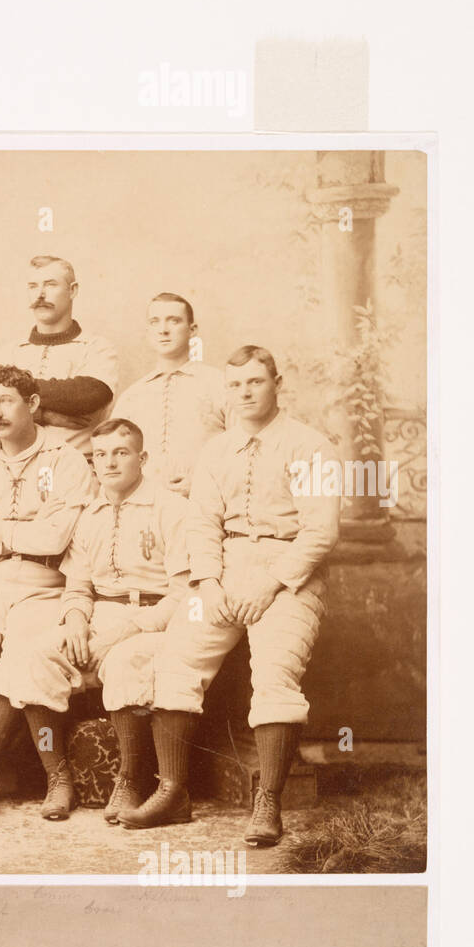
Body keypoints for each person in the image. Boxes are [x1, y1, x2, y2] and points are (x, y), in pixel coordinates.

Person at [119, 346, 340, 846]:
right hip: (223, 571)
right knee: (174, 663)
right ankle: (173, 791)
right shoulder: (216, 450)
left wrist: (273, 581)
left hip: (288, 573)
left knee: (275, 675)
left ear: (277, 384)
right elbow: (202, 524)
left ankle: (269, 802)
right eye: (236, 385)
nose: (245, 393)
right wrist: (210, 582)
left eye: (255, 382)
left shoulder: (312, 446)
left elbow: (321, 532)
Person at [0, 418, 189, 820]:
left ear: (143, 457)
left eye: (121, 453)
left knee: (123, 662)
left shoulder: (172, 509)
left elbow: (184, 592)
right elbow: (78, 587)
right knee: (36, 659)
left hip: (157, 618)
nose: (110, 463)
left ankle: (129, 781)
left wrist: (129, 629)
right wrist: (75, 621)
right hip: (101, 614)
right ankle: (58, 777)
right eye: (100, 455)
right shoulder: (90, 514)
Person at [0, 364, 95, 814]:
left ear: (32, 404)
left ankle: (11, 772)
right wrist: (23, 531)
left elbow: (56, 539)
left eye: (6, 400)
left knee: (19, 664)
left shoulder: (65, 459)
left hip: (44, 582)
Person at [0, 256, 117, 458]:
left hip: (75, 468)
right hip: (14, 469)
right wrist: (43, 415)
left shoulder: (96, 348)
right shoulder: (8, 351)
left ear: (73, 290)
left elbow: (89, 395)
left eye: (51, 285)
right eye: (33, 286)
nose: (40, 294)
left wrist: (10, 394)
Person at [112, 291, 226, 495]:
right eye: (155, 322)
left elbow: (245, 449)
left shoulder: (219, 384)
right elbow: (112, 461)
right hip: (145, 510)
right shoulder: (132, 397)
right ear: (147, 331)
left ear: (192, 330)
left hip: (207, 507)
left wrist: (204, 485)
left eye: (174, 321)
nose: (163, 330)